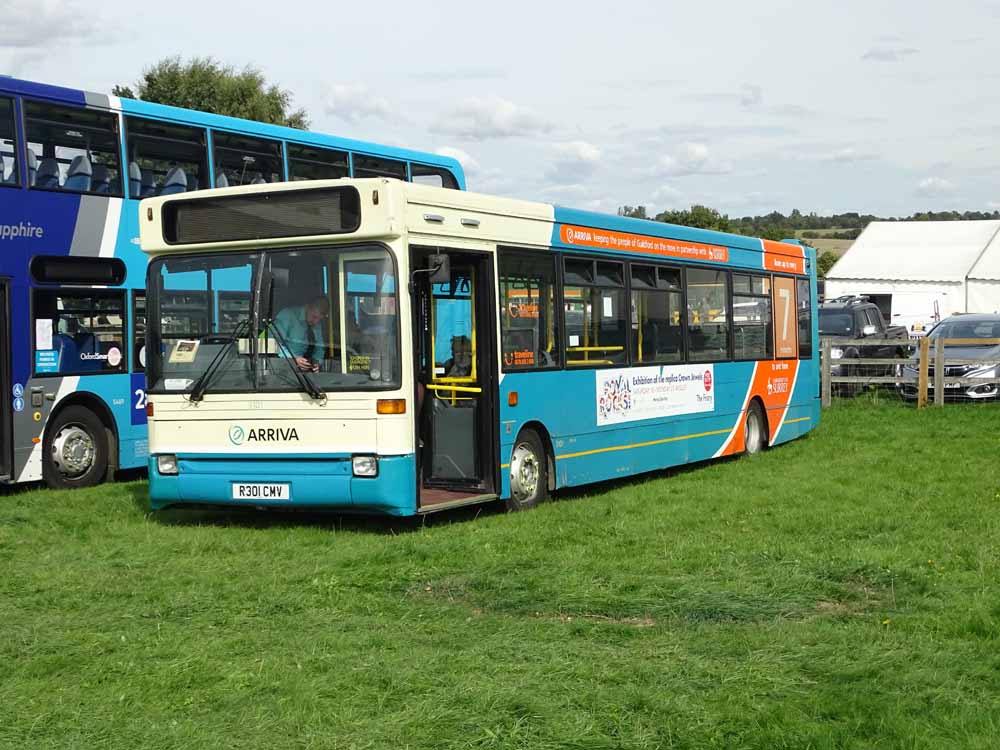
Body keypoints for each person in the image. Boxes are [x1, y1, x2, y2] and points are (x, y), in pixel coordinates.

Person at [272, 296, 329, 372]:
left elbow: (320, 348)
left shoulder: (316, 323)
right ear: (307, 307)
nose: (316, 322)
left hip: (305, 374)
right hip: (282, 369)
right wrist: (293, 359)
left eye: (319, 319)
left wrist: (317, 362)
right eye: (314, 317)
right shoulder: (287, 315)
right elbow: (274, 343)